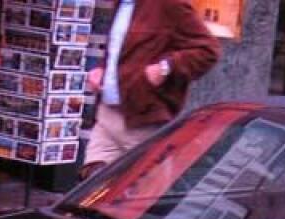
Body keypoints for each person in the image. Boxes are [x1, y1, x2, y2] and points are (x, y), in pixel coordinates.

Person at [81, 0, 220, 179]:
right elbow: (119, 50)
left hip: (143, 120)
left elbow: (208, 50)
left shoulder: (169, 4)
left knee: (142, 193)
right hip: (107, 115)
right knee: (92, 185)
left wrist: (166, 67)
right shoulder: (120, 4)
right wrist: (102, 68)